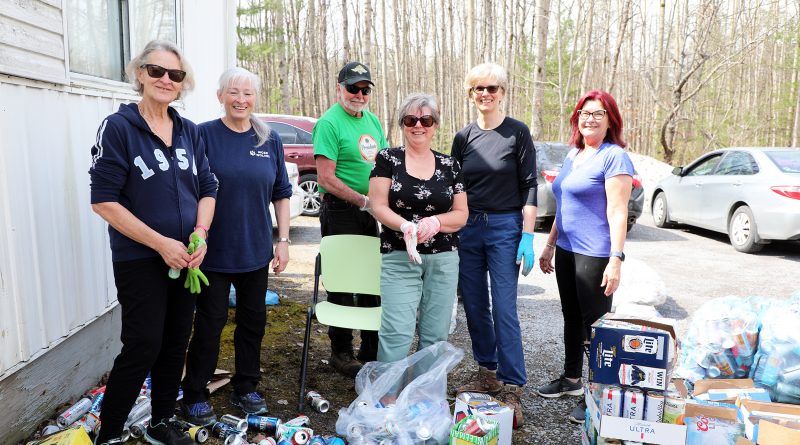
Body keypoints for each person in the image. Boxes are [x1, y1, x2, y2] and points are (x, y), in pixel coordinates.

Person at [88, 40, 217, 445]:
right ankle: (107, 433)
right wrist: (161, 243)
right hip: (140, 258)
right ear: (139, 74)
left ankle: (161, 422)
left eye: (174, 75)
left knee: (176, 341)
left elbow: (209, 187)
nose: (165, 80)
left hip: (187, 258)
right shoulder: (119, 127)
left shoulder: (189, 132)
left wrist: (202, 234)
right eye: (156, 71)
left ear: (182, 83)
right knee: (143, 344)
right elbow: (104, 202)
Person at [179, 68, 293, 425]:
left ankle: (246, 385)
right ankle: (195, 391)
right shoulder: (203, 134)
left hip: (255, 250)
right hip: (213, 253)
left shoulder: (268, 138)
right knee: (210, 324)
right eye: (233, 92)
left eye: (248, 93)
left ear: (255, 98)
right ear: (220, 96)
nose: (241, 100)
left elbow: (281, 193)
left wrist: (284, 241)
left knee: (253, 322)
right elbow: (191, 187)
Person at [535, 90, 634, 424]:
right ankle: (572, 380)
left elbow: (619, 211)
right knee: (570, 317)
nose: (590, 119)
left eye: (598, 114)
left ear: (610, 121)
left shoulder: (614, 157)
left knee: (596, 328)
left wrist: (616, 259)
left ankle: (599, 394)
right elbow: (563, 206)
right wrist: (550, 245)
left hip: (595, 253)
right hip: (566, 250)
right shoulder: (573, 154)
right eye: (584, 112)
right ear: (577, 117)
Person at [451, 62, 538, 428]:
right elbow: (453, 188)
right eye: (477, 89)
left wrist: (529, 235)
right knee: (473, 305)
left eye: (491, 88)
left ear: (502, 92)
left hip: (505, 226)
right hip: (468, 227)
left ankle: (513, 384)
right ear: (471, 95)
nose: (485, 94)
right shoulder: (463, 137)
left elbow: (530, 185)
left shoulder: (517, 133)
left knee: (503, 306)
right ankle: (487, 372)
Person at [369, 93, 468, 363]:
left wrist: (436, 222)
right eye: (411, 119)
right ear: (402, 123)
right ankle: (387, 396)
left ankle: (424, 397)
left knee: (435, 334)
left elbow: (461, 214)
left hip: (443, 257)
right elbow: (378, 206)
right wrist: (405, 226)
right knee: (396, 331)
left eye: (426, 119)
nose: (418, 125)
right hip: (399, 254)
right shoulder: (387, 159)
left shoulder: (450, 165)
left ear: (435, 124)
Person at [313, 61, 388, 377]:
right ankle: (341, 352)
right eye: (352, 88)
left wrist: (383, 203)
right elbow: (326, 178)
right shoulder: (329, 123)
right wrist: (363, 200)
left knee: (373, 281)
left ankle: (370, 351)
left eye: (364, 89)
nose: (359, 94)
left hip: (372, 213)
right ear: (339, 88)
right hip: (342, 211)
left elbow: (384, 167)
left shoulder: (373, 121)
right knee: (343, 284)